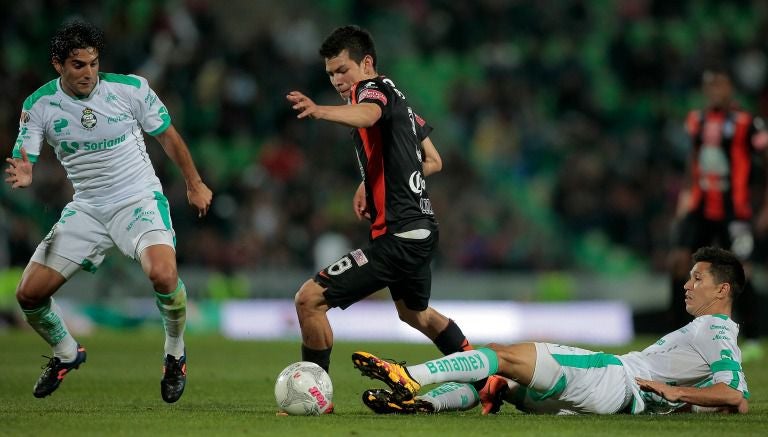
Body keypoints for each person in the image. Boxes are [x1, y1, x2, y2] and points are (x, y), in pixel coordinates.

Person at [285, 24, 501, 409]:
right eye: (331, 74)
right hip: (420, 229)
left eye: (342, 70)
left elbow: (368, 114)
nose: (337, 80)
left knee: (309, 299)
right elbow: (433, 159)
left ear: (366, 63)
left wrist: (319, 111)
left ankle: (316, 397)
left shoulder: (373, 90)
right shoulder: (401, 99)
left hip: (399, 235)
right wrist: (371, 180)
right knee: (415, 315)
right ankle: (488, 383)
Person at [4, 20, 212, 403]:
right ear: (58, 65)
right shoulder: (38, 105)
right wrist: (24, 168)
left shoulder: (129, 89)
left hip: (138, 200)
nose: (88, 73)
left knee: (163, 275)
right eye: (78, 65)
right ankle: (67, 352)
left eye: (94, 63)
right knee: (29, 296)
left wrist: (194, 182)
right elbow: (25, 153)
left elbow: (168, 135)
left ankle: (175, 353)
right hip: (87, 208)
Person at [353, 246, 750, 415]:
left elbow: (735, 395)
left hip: (613, 377)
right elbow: (735, 403)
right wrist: (685, 403)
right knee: (499, 382)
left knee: (502, 354)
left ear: (723, 289)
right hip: (615, 401)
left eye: (698, 278)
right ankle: (423, 405)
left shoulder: (712, 329)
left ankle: (411, 378)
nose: (687, 284)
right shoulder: (714, 333)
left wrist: (676, 392)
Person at [668, 67, 766, 361]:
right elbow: (693, 160)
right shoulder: (696, 120)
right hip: (699, 206)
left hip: (734, 211)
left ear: (730, 89)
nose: (715, 92)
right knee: (679, 262)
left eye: (720, 86)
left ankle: (753, 337)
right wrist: (685, 196)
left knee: (742, 270)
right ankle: (677, 334)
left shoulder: (748, 123)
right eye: (710, 86)